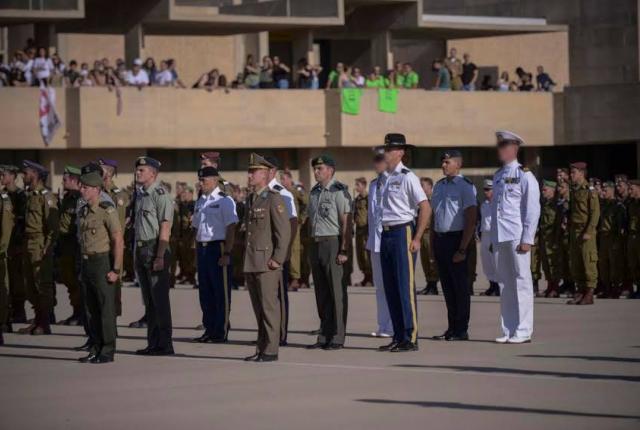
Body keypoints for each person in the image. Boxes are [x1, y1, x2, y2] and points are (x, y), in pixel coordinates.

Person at [377, 134, 430, 352]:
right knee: (390, 288)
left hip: (403, 232)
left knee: (404, 287)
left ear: (400, 152)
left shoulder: (408, 177)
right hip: (386, 233)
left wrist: (417, 237)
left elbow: (425, 207)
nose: (385, 153)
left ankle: (410, 337)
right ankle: (398, 335)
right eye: (385, 149)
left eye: (390, 150)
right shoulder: (385, 177)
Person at [491, 131, 540, 344]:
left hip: (517, 235)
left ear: (515, 148)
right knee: (504, 282)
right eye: (499, 145)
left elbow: (532, 208)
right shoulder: (498, 175)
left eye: (505, 145)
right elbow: (495, 209)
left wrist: (527, 237)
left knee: (522, 282)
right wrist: (493, 237)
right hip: (501, 235)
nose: (500, 149)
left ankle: (524, 329)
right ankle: (509, 328)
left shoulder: (525, 175)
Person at [243, 153, 291, 362]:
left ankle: (271, 350)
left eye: (254, 172)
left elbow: (284, 231)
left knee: (269, 308)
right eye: (250, 171)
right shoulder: (251, 198)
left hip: (267, 263)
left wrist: (278, 259)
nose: (250, 175)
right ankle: (261, 347)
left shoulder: (274, 198)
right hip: (252, 261)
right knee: (258, 309)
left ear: (265, 174)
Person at [76, 165, 124, 364]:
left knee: (105, 309)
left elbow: (118, 240)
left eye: (86, 187)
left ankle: (107, 349)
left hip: (102, 262)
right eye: (82, 186)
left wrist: (116, 270)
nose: (82, 190)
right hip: (86, 262)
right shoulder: (84, 211)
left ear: (96, 189)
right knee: (90, 309)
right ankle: (95, 347)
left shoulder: (107, 210)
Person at [430, 150, 477, 341]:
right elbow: (435, 217)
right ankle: (451, 327)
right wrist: (433, 246)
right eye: (442, 162)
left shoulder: (465, 186)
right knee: (448, 288)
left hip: (457, 239)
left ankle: (461, 329)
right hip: (441, 239)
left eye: (447, 162)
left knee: (460, 288)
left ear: (458, 164)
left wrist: (463, 248)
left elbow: (471, 217)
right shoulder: (439, 186)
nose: (443, 165)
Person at [306, 155, 352, 350]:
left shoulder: (338, 191)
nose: (316, 172)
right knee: (322, 293)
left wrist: (344, 249)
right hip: (316, 244)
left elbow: (346, 223)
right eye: (315, 168)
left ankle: (338, 336)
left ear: (331, 170)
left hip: (333, 243)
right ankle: (324, 334)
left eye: (320, 168)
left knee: (336, 292)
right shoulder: (314, 192)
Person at [132, 157, 175, 356]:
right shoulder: (141, 195)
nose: (137, 173)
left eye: (142, 170)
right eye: (137, 170)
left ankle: (165, 345)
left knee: (160, 301)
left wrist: (159, 256)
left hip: (154, 249)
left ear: (152, 173)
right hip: (141, 249)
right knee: (149, 301)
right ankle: (153, 343)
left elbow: (165, 227)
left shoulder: (161, 194)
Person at [192, 166, 237, 343]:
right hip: (202, 248)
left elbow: (231, 227)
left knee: (220, 293)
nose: (201, 183)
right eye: (200, 180)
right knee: (205, 293)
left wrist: (227, 252)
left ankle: (221, 331)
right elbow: (196, 227)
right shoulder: (201, 200)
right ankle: (209, 329)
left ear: (215, 180)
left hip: (218, 247)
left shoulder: (225, 200)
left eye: (204, 180)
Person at [17, 161, 59, 335]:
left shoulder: (46, 196)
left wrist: (47, 247)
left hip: (40, 244)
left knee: (42, 284)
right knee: (30, 285)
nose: (23, 176)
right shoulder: (30, 195)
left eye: (25, 173)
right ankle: (37, 320)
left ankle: (45, 322)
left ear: (34, 174)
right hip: (28, 243)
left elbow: (53, 227)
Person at [265, 156, 297, 346]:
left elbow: (292, 223)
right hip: (262, 252)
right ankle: (268, 333)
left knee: (279, 295)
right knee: (266, 296)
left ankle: (281, 334)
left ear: (272, 171)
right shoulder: (260, 193)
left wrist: (284, 252)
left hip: (277, 252)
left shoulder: (283, 193)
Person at [97, 159, 131, 320]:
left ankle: (113, 320)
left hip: (113, 246)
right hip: (98, 246)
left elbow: (120, 227)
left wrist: (115, 247)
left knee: (114, 283)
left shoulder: (118, 195)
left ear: (109, 173)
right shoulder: (95, 192)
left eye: (101, 170)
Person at [366, 148, 393, 338]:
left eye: (380, 159)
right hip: (375, 241)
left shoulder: (397, 181)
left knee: (393, 285)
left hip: (392, 239)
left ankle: (394, 325)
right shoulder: (373, 185)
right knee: (380, 286)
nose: (376, 163)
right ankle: (383, 325)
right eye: (375, 159)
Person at [566, 162, 600, 305]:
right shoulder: (575, 189)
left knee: (588, 261)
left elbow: (595, 212)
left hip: (585, 231)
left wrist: (589, 230)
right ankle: (580, 291)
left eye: (573, 172)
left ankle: (590, 293)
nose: (571, 175)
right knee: (576, 262)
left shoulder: (589, 189)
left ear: (581, 173)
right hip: (574, 230)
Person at [56, 166, 84, 325]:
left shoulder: (81, 198)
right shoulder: (67, 197)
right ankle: (76, 311)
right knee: (69, 279)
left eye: (65, 179)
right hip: (65, 243)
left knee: (78, 280)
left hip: (75, 244)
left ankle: (81, 313)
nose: (63, 181)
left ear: (74, 180)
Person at [1, 165, 27, 324]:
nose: (1, 177)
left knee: (16, 279)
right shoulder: (3, 195)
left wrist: (18, 244)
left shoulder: (20, 195)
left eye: (3, 174)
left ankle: (18, 311)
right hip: (6, 242)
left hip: (15, 243)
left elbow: (22, 221)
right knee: (5, 279)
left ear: (12, 176)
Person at [596, 181, 626, 298]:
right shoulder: (603, 204)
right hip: (603, 237)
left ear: (611, 190)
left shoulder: (618, 206)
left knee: (614, 264)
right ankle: (607, 287)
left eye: (605, 190)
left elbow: (620, 224)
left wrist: (618, 238)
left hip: (613, 237)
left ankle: (615, 288)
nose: (603, 192)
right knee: (604, 264)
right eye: (602, 190)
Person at [537, 180, 562, 297]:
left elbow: (557, 224)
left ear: (553, 190)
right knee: (546, 264)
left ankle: (555, 287)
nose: (542, 192)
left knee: (553, 263)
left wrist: (556, 240)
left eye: (545, 190)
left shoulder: (556, 205)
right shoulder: (544, 204)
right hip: (544, 238)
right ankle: (549, 286)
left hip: (552, 239)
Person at [418, 177, 439, 295]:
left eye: (423, 186)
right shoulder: (422, 201)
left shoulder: (434, 200)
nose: (421, 188)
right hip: (422, 233)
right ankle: (429, 284)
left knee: (431, 260)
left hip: (431, 232)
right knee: (424, 260)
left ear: (430, 187)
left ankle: (433, 285)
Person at [479, 179, 500, 296]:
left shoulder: (498, 203)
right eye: (485, 190)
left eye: (488, 189)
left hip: (494, 234)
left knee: (495, 261)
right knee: (486, 261)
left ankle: (498, 287)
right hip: (485, 234)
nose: (486, 192)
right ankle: (492, 285)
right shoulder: (484, 204)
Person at [0, 178, 14, 345]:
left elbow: (6, 229)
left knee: (1, 289)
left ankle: (2, 324)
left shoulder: (4, 200)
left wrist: (2, 249)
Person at [353, 177, 372, 286]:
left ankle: (370, 278)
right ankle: (365, 276)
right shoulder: (357, 199)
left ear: (364, 185)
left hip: (366, 230)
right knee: (360, 254)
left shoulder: (368, 198)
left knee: (366, 254)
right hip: (359, 230)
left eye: (358, 185)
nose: (356, 187)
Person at [626, 180, 640, 299]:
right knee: (633, 264)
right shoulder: (631, 203)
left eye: (632, 188)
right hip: (632, 236)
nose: (629, 191)